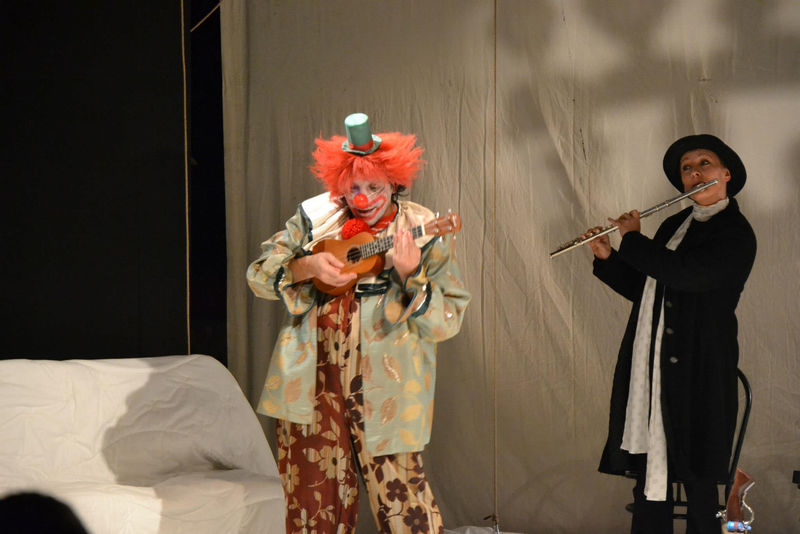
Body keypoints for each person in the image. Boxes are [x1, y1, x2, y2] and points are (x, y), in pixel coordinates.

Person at [247, 113, 470, 534]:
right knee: (310, 502)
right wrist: (306, 265)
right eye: (353, 188)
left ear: (394, 183)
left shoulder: (422, 228)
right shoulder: (315, 218)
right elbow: (258, 275)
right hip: (311, 382)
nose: (363, 199)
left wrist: (410, 275)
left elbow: (449, 317)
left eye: (374, 187)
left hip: (388, 386)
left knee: (404, 502)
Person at [583, 134, 756, 534]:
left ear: (726, 174)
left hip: (700, 367)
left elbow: (686, 276)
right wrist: (609, 258)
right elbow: (650, 290)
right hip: (656, 366)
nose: (695, 173)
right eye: (687, 168)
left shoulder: (735, 232)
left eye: (704, 164)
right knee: (650, 470)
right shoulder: (674, 225)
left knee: (697, 476)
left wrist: (632, 239)